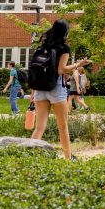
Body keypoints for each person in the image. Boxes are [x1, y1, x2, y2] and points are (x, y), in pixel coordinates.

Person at [30, 19, 91, 160]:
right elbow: (62, 69)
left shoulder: (43, 46)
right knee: (63, 127)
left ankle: (29, 158)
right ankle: (68, 158)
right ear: (65, 32)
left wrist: (33, 93)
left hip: (40, 89)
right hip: (55, 88)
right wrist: (78, 64)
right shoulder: (64, 48)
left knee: (39, 128)